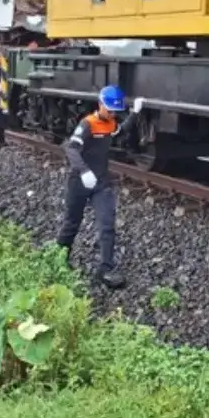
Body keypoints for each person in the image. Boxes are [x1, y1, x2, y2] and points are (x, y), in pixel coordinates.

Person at [54, 85, 144, 289]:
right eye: (109, 110)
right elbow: (72, 148)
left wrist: (135, 113)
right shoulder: (88, 124)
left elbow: (121, 131)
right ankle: (58, 259)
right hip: (80, 181)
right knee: (71, 223)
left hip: (102, 183)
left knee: (107, 225)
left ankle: (105, 269)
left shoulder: (110, 123)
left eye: (115, 111)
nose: (112, 114)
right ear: (100, 104)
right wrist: (84, 171)